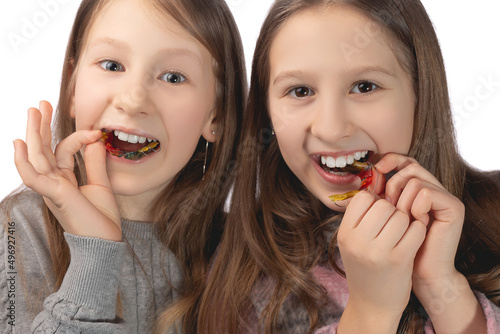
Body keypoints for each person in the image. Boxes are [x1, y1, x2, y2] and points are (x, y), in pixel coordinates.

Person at [198, 0, 500, 333]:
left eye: (365, 87)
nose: (330, 128)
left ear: (420, 91)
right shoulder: (241, 270)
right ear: (267, 110)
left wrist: (441, 286)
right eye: (300, 91)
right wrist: (371, 313)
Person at [0, 0, 246, 332]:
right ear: (72, 87)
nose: (132, 100)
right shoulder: (14, 232)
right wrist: (93, 257)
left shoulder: (242, 252)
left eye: (173, 77)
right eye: (112, 65)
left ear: (215, 115)